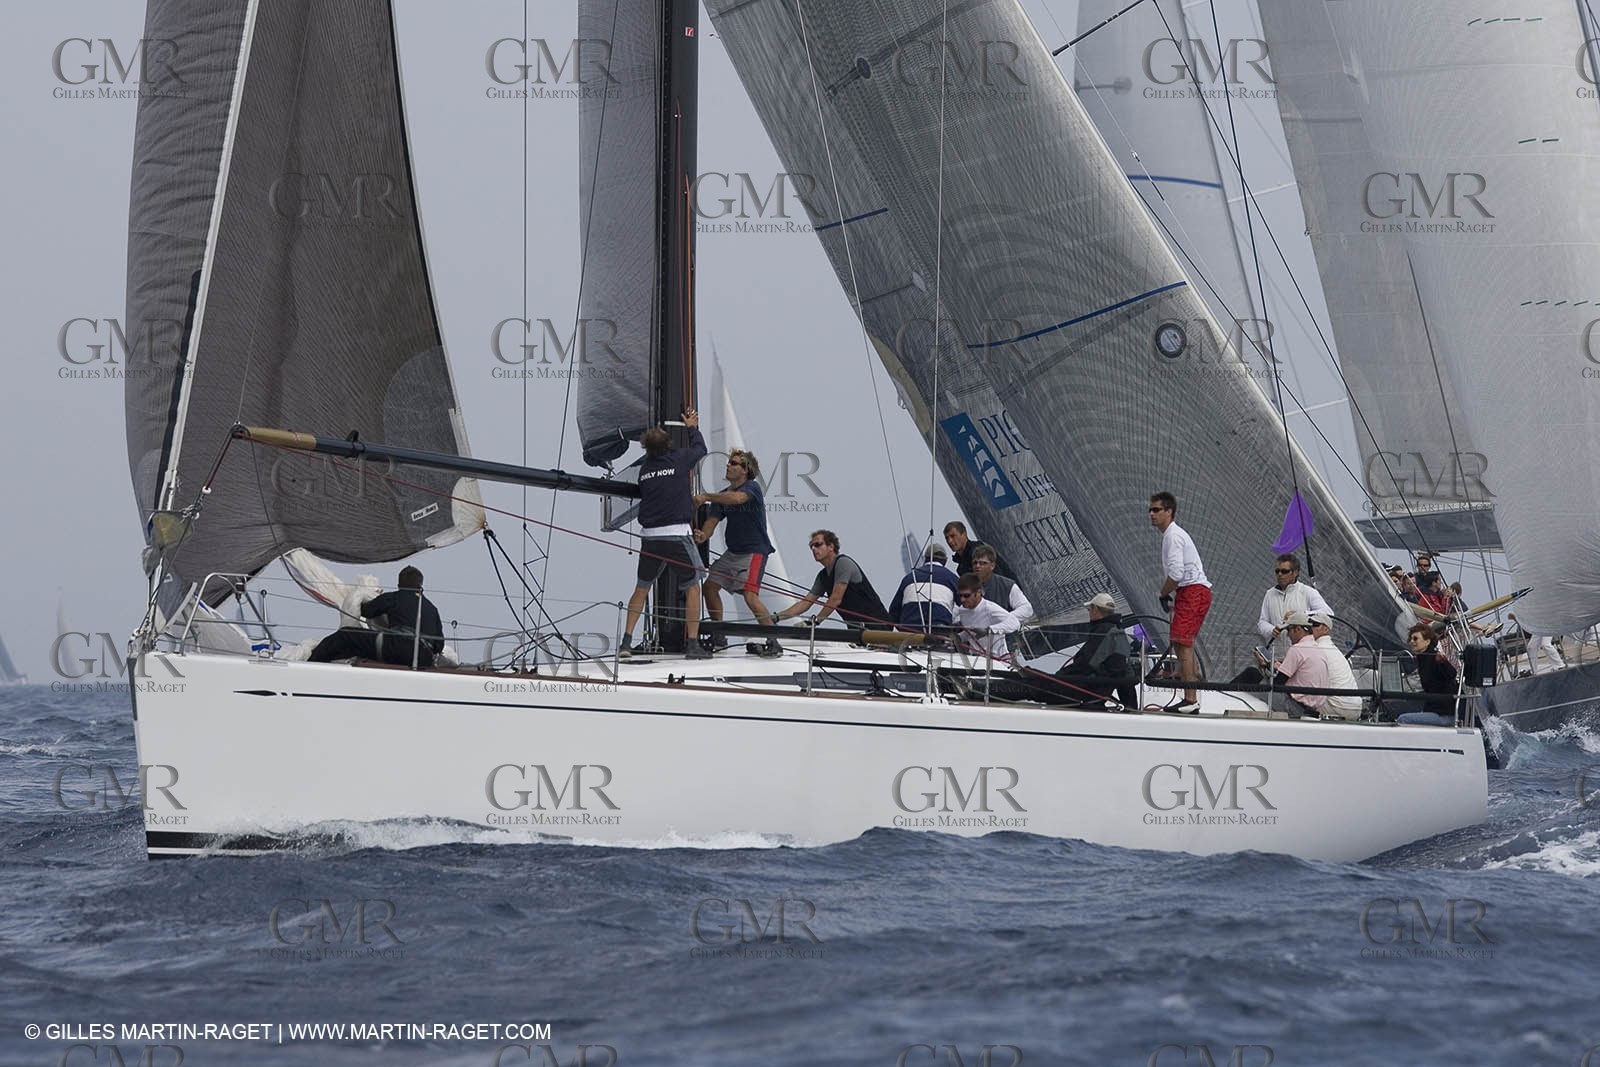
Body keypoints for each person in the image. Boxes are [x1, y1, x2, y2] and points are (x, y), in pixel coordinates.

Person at [620, 410, 709, 659]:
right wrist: (691, 427)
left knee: (641, 588)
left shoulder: (644, 470)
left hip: (649, 538)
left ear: (646, 449)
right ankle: (692, 644)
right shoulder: (679, 459)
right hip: (676, 535)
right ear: (668, 445)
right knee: (693, 586)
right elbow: (701, 449)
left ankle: (626, 642)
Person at [694, 448, 776, 632]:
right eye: (729, 462)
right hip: (732, 553)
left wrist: (706, 496)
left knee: (750, 597)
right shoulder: (721, 496)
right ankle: (719, 633)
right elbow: (712, 521)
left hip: (754, 552)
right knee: (709, 588)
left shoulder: (752, 488)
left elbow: (738, 499)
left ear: (745, 470)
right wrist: (703, 535)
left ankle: (773, 639)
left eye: (733, 463)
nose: (728, 465)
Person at [309, 565, 444, 668]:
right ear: (420, 585)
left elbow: (367, 611)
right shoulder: (432, 609)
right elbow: (439, 645)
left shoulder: (394, 598)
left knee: (345, 636)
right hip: (424, 658)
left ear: (399, 585)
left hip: (397, 648)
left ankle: (310, 666)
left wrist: (364, 595)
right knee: (358, 645)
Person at [1150, 490, 1210, 713]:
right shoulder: (1171, 536)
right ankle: (1191, 687)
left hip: (1193, 590)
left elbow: (1176, 574)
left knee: (1182, 641)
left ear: (1169, 511)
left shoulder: (1173, 536)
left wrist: (1163, 594)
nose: (1151, 514)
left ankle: (1190, 699)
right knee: (1180, 641)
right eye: (1150, 509)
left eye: (1156, 509)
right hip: (1190, 592)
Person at [773, 530, 889, 627]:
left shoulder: (843, 563)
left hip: (879, 627)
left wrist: (815, 622)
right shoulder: (823, 576)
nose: (813, 549)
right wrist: (777, 617)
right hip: (857, 630)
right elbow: (805, 603)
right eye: (811, 546)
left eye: (818, 544)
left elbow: (835, 599)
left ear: (831, 547)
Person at [1053, 592, 1138, 709]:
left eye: (1089, 609)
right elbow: (1122, 670)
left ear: (1095, 610)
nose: (1089, 613)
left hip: (1091, 690)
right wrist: (1131, 707)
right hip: (1103, 688)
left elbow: (1084, 665)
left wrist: (1059, 676)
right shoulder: (1117, 630)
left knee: (1036, 686)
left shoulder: (1103, 630)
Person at [1257, 611, 1328, 719]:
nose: (1288, 635)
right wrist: (1271, 666)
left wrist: (1264, 666)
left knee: (1254, 678)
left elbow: (1277, 684)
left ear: (1298, 629)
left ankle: (1225, 697)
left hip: (1294, 707)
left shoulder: (1297, 649)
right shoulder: (1319, 650)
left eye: (1288, 630)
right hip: (1312, 709)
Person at [1257, 553, 1332, 650]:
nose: (1280, 574)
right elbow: (1262, 622)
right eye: (1277, 571)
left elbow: (1328, 613)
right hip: (1277, 656)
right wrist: (1271, 630)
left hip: (1303, 655)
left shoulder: (1307, 592)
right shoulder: (1269, 594)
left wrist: (1301, 615)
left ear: (1295, 572)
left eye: (1284, 571)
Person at [1390, 622, 1460, 725]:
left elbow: (1452, 674)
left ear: (1427, 641)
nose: (1412, 642)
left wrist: (1443, 662)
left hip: (1445, 715)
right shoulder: (1422, 659)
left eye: (1415, 638)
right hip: (1433, 710)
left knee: (1403, 719)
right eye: (1410, 639)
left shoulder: (1435, 656)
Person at [1309, 611, 1364, 721]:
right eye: (1309, 624)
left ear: (1326, 629)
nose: (1311, 628)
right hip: (1356, 707)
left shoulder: (1317, 649)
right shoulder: (1333, 649)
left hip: (1338, 707)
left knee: (1292, 695)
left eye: (1315, 625)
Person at [888, 545, 959, 628]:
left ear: (925, 558)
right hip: (939, 630)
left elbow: (894, 611)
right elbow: (966, 605)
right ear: (945, 561)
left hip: (909, 630)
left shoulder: (909, 578)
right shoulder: (952, 578)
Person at [951, 573, 1019, 658]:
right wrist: (959, 637)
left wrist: (989, 630)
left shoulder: (990, 608)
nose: (962, 599)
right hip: (976, 659)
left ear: (978, 592)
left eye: (966, 595)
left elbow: (1015, 623)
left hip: (997, 660)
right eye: (960, 595)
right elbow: (971, 632)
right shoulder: (962, 610)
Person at [972, 545, 1033, 628]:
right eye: (975, 563)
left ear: (992, 566)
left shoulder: (1007, 585)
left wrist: (1002, 619)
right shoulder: (968, 587)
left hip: (1006, 638)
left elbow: (1027, 609)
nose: (977, 566)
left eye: (983, 563)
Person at [943, 520, 1014, 579]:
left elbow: (997, 577)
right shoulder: (961, 568)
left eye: (953, 536)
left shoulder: (979, 551)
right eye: (947, 538)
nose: (950, 541)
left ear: (964, 534)